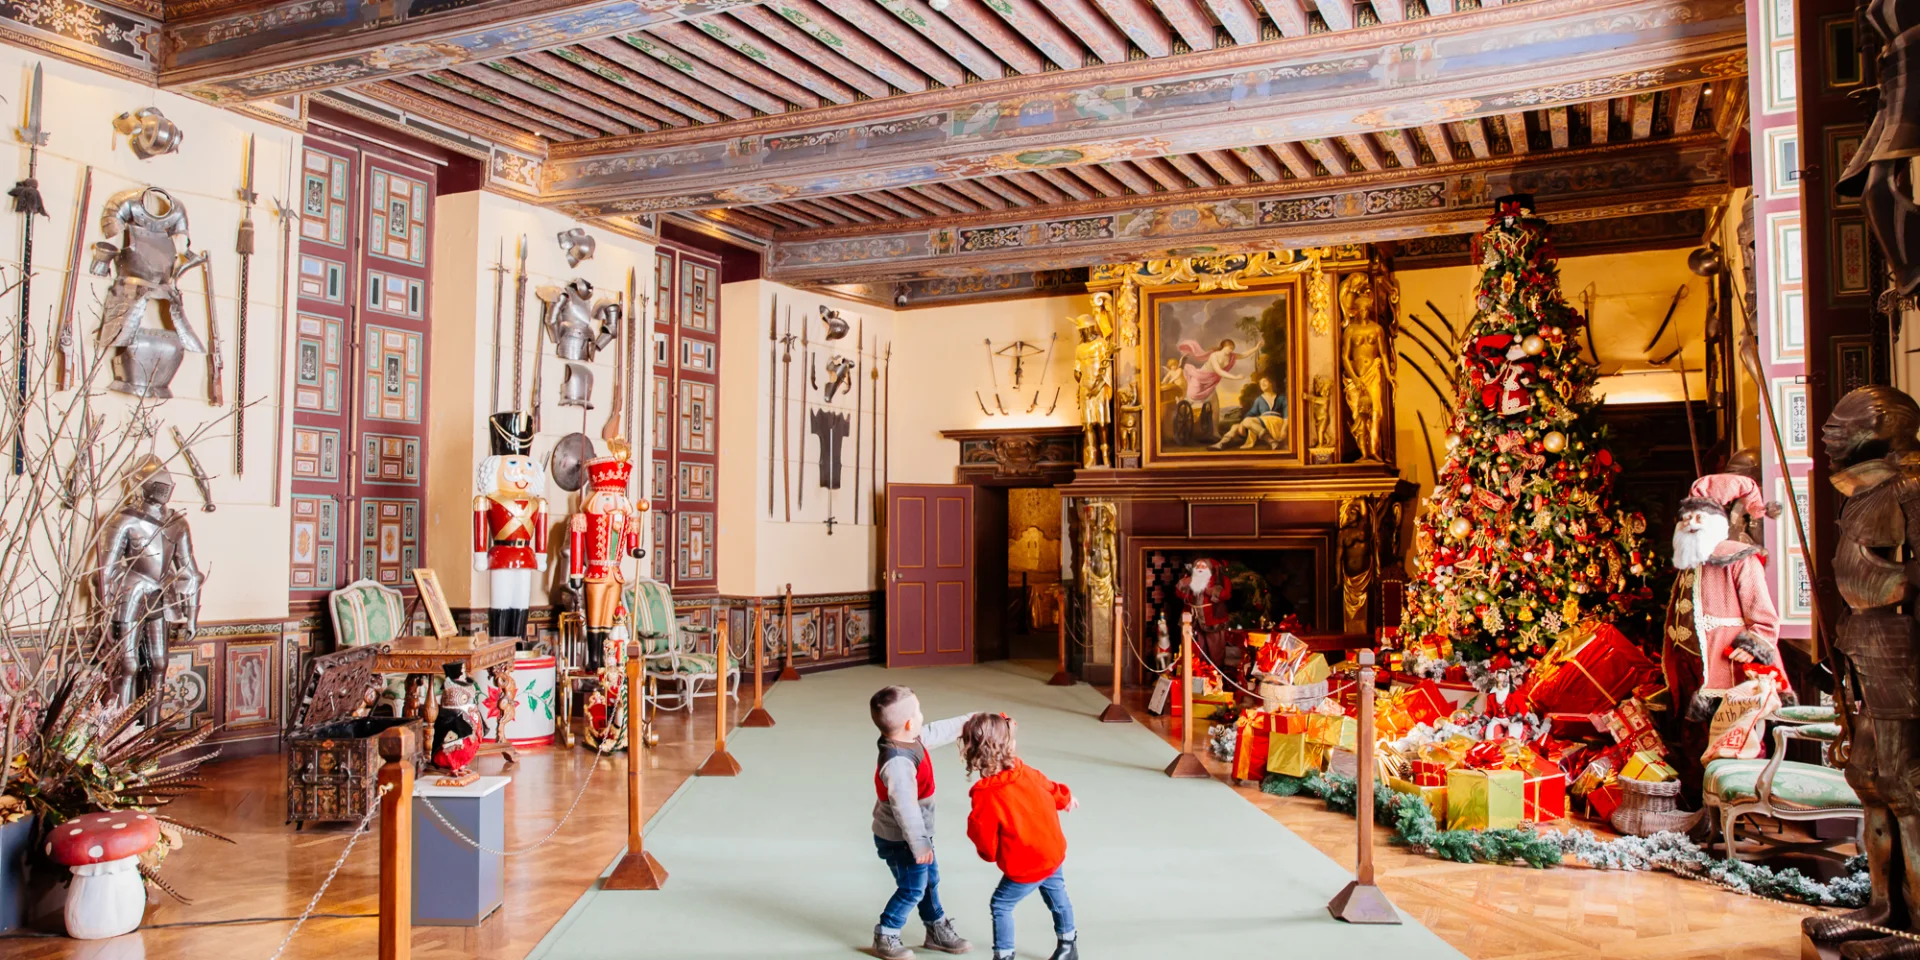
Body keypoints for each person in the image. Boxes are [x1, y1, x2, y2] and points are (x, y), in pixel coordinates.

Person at [1661, 473, 1789, 805]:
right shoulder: (1689, 560)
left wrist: (1755, 643)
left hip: (1725, 664)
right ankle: (1700, 805)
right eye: (1686, 517)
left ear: (1715, 522)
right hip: (1691, 665)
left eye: (1698, 517)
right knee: (1694, 737)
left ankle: (1734, 807)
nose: (1690, 524)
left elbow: (1762, 612)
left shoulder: (1738, 557)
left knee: (1731, 737)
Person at [961, 713, 1079, 960]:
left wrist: (990, 854)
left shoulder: (986, 794)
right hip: (1052, 852)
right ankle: (1068, 946)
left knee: (1001, 905)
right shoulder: (1024, 770)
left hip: (1024, 864)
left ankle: (1004, 955)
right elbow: (1050, 787)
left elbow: (984, 835)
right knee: (1057, 895)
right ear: (1009, 746)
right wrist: (1066, 799)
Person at [870, 686, 976, 959]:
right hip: (901, 838)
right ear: (907, 723)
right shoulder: (896, 763)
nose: (921, 716)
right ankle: (887, 933)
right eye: (918, 712)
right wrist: (918, 844)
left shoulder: (910, 737)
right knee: (913, 887)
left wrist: (969, 720)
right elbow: (905, 808)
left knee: (930, 879)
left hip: (917, 837)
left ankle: (936, 928)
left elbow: (936, 731)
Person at [1211, 375, 1288, 449]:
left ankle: (1271, 441)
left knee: (1247, 421)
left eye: (1265, 381)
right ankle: (1221, 443)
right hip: (1262, 423)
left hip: (1276, 424)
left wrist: (1284, 430)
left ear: (1271, 383)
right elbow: (1251, 413)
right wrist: (1242, 424)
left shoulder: (1281, 398)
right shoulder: (1259, 399)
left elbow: (1286, 416)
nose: (1262, 384)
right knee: (1236, 426)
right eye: (1261, 383)